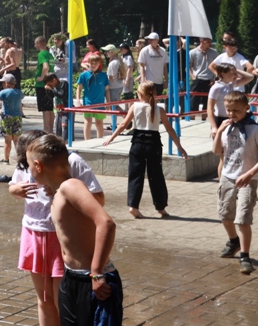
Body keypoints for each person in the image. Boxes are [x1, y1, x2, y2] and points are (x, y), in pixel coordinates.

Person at [25, 134, 159, 326]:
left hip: (93, 284)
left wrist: (97, 272)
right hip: (73, 281)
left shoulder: (71, 187)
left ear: (37, 165)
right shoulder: (59, 189)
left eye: (28, 165)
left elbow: (106, 223)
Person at [8, 130, 105, 326]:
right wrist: (15, 190)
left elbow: (99, 200)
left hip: (62, 239)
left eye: (31, 165)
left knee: (69, 305)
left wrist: (62, 195)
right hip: (34, 234)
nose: (29, 169)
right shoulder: (26, 163)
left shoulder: (72, 162)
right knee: (45, 301)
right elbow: (13, 184)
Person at [101, 81, 186, 219]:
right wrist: (180, 147)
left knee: (135, 175)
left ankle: (133, 206)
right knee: (156, 176)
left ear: (139, 94)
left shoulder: (135, 106)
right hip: (153, 143)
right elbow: (170, 129)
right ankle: (161, 207)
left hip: (138, 142)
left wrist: (111, 138)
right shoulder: (160, 109)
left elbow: (123, 124)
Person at [213, 91, 258, 275]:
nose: (231, 114)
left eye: (236, 111)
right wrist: (219, 131)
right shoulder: (228, 127)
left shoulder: (254, 130)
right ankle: (233, 241)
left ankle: (245, 255)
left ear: (247, 108)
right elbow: (217, 151)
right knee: (225, 214)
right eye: (229, 110)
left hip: (249, 179)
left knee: (242, 219)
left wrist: (249, 174)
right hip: (228, 176)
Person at [207, 63, 247, 139]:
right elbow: (210, 108)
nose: (236, 75)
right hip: (220, 119)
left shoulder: (231, 84)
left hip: (232, 118)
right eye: (233, 73)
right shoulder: (216, 88)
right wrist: (214, 127)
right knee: (220, 147)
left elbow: (250, 77)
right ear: (223, 74)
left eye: (236, 73)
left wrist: (236, 70)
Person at [74, 54, 109, 139]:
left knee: (99, 122)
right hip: (88, 102)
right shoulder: (84, 75)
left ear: (99, 64)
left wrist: (108, 103)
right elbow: (79, 89)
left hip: (100, 102)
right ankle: (87, 141)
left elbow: (107, 90)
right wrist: (78, 101)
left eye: (96, 63)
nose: (93, 65)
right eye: (92, 63)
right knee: (88, 121)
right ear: (88, 63)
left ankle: (100, 140)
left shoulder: (103, 75)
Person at [0, 74, 24, 165]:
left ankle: (6, 159)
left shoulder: (3, 92)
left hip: (6, 117)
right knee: (16, 140)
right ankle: (20, 160)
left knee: (7, 140)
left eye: (3, 83)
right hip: (17, 117)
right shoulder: (19, 92)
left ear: (6, 83)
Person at [187, 37, 218, 119]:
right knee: (193, 100)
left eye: (210, 41)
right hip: (198, 78)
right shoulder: (193, 52)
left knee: (207, 100)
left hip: (209, 79)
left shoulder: (214, 53)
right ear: (202, 41)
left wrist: (215, 79)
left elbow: (217, 67)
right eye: (208, 41)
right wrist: (193, 76)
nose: (210, 43)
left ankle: (204, 119)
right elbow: (189, 67)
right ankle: (192, 118)